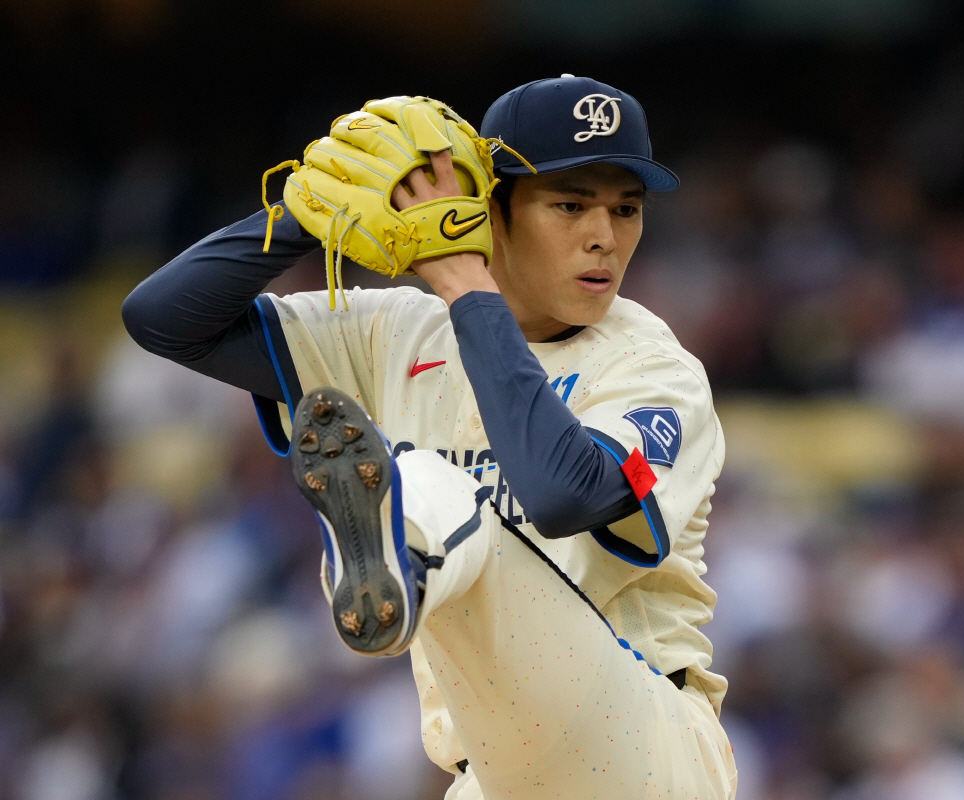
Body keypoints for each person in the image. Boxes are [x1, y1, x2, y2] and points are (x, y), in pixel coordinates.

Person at [123, 75, 736, 799]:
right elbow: (164, 318)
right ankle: (398, 546)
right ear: (488, 209)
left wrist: (465, 282)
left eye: (626, 209)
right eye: (569, 204)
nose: (604, 235)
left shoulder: (654, 369)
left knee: (429, 478)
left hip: (640, 742)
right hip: (490, 771)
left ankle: (403, 550)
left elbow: (560, 496)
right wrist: (309, 210)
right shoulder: (398, 331)